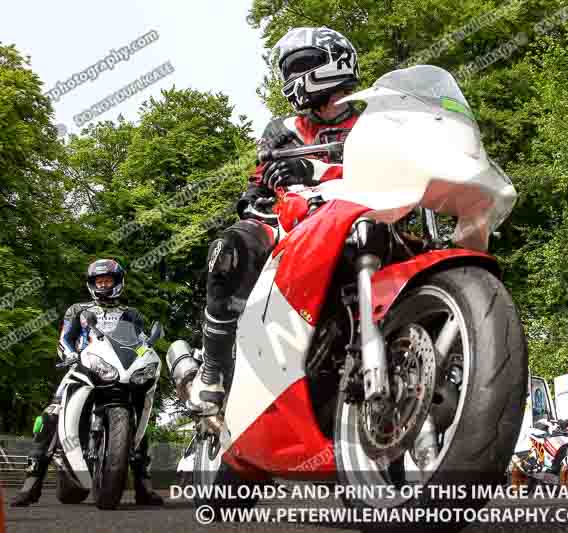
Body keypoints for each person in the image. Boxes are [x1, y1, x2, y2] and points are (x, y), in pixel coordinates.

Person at [187, 27, 361, 416]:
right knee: (228, 250)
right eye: (289, 69)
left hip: (355, 216)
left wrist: (312, 168)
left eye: (302, 65)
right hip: (289, 220)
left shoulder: (372, 125)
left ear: (336, 63)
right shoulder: (282, 130)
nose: (293, 77)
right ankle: (213, 370)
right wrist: (255, 194)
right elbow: (258, 179)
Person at [11, 259, 163, 507]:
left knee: (138, 418)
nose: (103, 285)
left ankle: (143, 486)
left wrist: (145, 356)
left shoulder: (131, 314)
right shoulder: (78, 310)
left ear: (118, 283)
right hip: (82, 367)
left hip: (119, 372)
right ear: (92, 284)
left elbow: (140, 342)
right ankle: (31, 482)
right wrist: (70, 355)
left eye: (108, 280)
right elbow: (65, 339)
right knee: (51, 414)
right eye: (99, 281)